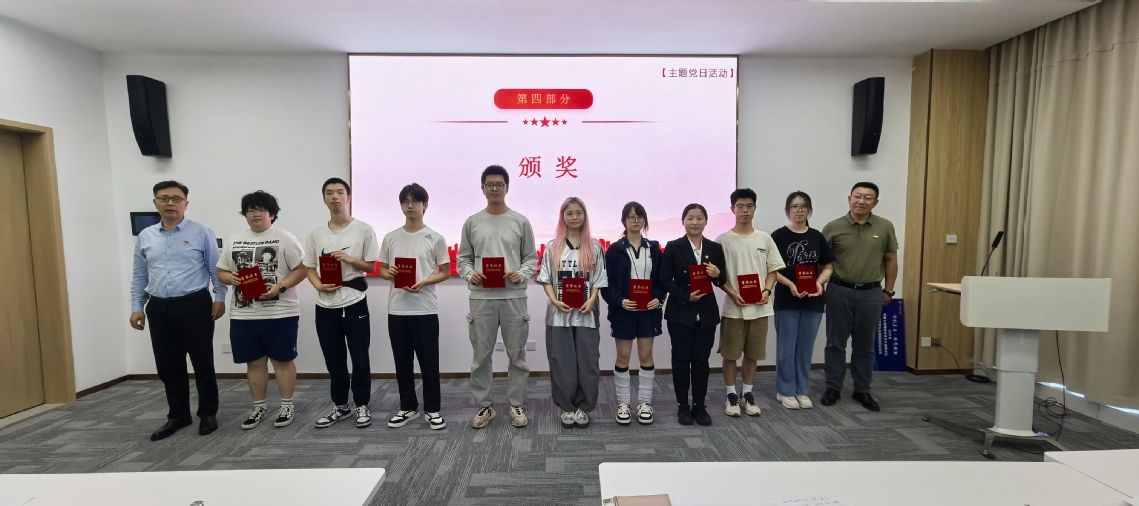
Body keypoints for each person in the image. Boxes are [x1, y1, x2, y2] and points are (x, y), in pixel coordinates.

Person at [129, 180, 227, 441]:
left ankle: (207, 413)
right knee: (168, 365)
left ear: (186, 203)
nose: (170, 203)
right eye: (164, 198)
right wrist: (137, 307)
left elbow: (215, 268)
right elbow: (140, 275)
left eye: (176, 198)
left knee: (202, 362)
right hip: (158, 306)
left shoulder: (201, 232)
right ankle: (178, 415)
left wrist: (219, 297)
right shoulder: (146, 236)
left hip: (195, 304)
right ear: (155, 203)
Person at [216, 191, 306, 429]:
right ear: (245, 215)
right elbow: (221, 272)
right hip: (244, 313)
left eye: (261, 209)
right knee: (254, 362)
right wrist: (231, 278)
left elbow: (302, 269)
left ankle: (287, 405)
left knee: (282, 360)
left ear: (272, 214)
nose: (255, 214)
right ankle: (259, 407)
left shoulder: (284, 238)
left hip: (280, 313)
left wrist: (280, 286)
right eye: (250, 210)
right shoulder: (235, 239)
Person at [457, 165, 538, 429]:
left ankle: (516, 404)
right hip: (481, 299)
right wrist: (470, 274)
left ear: (507, 188)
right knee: (481, 356)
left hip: (514, 297)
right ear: (482, 189)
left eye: (499, 184)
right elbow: (463, 259)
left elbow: (531, 259)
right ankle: (485, 406)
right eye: (490, 184)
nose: (494, 188)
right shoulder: (472, 222)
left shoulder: (520, 221)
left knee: (517, 355)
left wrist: (520, 274)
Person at [303, 177, 381, 428]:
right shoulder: (316, 233)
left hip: (354, 300)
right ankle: (340, 406)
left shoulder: (363, 229)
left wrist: (349, 259)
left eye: (339, 192)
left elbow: (372, 265)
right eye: (329, 193)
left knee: (359, 356)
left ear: (348, 197)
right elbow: (309, 268)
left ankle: (362, 405)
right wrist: (318, 285)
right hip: (325, 304)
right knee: (333, 358)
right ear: (324, 199)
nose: (334, 197)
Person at [377, 183, 451, 430]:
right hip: (397, 309)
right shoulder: (391, 237)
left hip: (425, 309)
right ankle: (408, 407)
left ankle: (433, 409)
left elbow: (445, 272)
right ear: (401, 206)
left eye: (415, 201)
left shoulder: (435, 238)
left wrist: (425, 281)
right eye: (405, 201)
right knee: (402, 362)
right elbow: (382, 269)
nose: (410, 206)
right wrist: (389, 273)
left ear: (425, 205)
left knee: (429, 362)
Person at [820, 182, 899, 412]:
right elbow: (822, 262)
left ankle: (862, 389)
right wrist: (820, 287)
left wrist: (889, 290)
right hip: (839, 291)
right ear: (849, 199)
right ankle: (833, 387)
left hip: (871, 293)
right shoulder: (833, 227)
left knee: (865, 345)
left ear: (875, 202)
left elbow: (891, 259)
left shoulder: (885, 226)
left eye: (867, 197)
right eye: (857, 196)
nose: (861, 201)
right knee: (835, 343)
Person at [536, 197, 607, 429]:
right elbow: (546, 279)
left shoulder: (595, 246)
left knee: (588, 362)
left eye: (579, 213)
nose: (574, 217)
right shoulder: (552, 247)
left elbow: (598, 279)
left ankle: (583, 407)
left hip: (587, 313)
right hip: (559, 314)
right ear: (562, 216)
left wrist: (592, 299)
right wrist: (554, 300)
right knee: (562, 361)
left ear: (585, 216)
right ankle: (567, 408)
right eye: (569, 213)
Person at [715, 188, 785, 418]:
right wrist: (733, 293)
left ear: (755, 208)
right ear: (732, 209)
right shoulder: (722, 240)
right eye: (740, 206)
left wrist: (767, 290)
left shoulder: (764, 238)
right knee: (730, 354)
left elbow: (773, 269)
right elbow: (719, 276)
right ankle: (730, 395)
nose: (745, 210)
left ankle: (747, 394)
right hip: (733, 308)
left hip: (760, 307)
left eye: (749, 206)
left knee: (753, 354)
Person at [659, 204, 727, 426]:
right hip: (680, 312)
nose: (695, 222)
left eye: (699, 218)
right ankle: (683, 406)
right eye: (690, 218)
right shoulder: (673, 247)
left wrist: (717, 274)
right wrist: (685, 296)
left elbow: (722, 280)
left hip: (706, 313)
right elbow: (664, 278)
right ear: (683, 221)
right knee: (681, 360)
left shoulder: (714, 248)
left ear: (706, 221)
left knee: (701, 361)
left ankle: (699, 405)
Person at [601, 201, 665, 425]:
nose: (635, 220)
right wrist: (619, 301)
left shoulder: (654, 248)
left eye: (639, 217)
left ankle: (644, 403)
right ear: (624, 221)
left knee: (646, 357)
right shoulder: (614, 250)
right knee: (623, 357)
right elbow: (607, 283)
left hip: (648, 312)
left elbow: (661, 280)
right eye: (631, 217)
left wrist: (658, 297)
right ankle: (624, 404)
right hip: (624, 312)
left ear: (644, 221)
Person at [771, 191, 834, 410]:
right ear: (787, 210)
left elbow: (828, 266)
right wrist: (790, 284)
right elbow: (770, 269)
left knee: (805, 349)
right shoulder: (778, 236)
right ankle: (785, 390)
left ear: (809, 210)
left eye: (803, 206)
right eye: (794, 206)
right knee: (786, 349)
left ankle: (801, 390)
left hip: (813, 300)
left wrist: (819, 282)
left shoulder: (817, 236)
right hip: (787, 300)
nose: (799, 210)